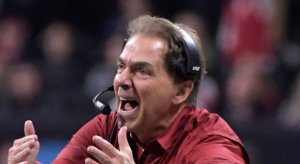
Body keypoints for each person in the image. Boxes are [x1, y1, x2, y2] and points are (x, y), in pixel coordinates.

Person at [8, 15, 249, 164]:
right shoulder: (106, 129)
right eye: (121, 66)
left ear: (181, 91)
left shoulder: (212, 146)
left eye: (142, 70)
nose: (122, 80)